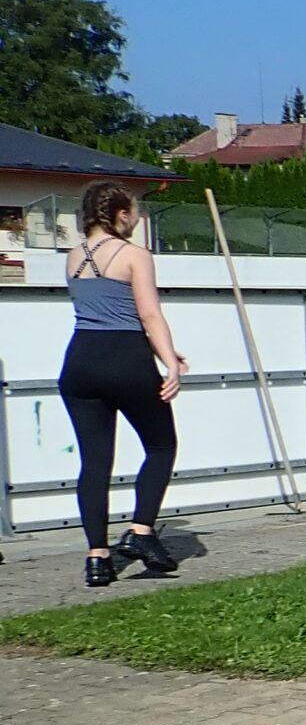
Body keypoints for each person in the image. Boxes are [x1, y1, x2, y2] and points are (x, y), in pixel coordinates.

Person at [59, 183, 185, 587]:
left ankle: (97, 558)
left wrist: (168, 352)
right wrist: (170, 363)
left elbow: (101, 309)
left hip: (80, 362)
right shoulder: (135, 255)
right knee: (162, 446)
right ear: (121, 215)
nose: (138, 219)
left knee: (95, 462)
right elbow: (148, 315)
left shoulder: (74, 256)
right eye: (135, 211)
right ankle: (141, 531)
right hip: (127, 359)